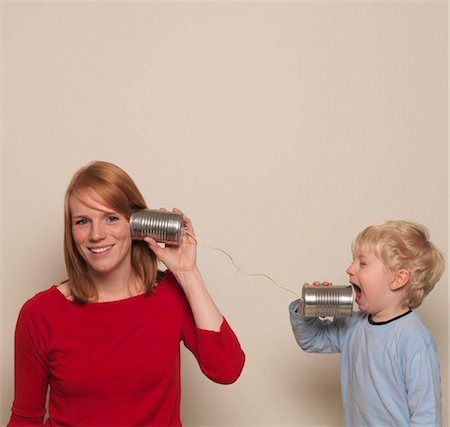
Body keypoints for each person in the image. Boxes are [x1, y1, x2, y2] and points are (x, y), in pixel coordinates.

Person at [8, 160, 245, 426]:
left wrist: (188, 272)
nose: (96, 234)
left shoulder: (170, 295)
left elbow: (227, 369)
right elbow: (25, 419)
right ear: (71, 231)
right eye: (83, 221)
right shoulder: (40, 314)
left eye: (111, 218)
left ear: (136, 224)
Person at [289, 220, 444, 427]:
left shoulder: (413, 339)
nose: (349, 269)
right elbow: (311, 340)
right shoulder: (354, 325)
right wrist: (306, 309)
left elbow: (427, 415)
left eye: (362, 263)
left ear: (398, 279)